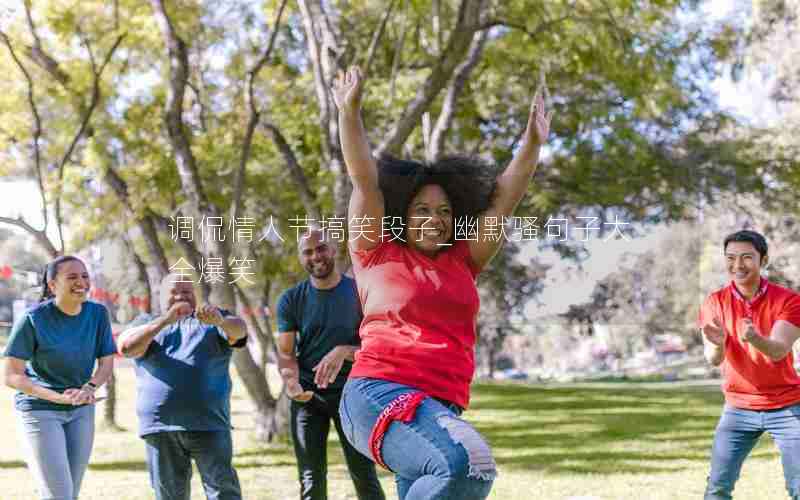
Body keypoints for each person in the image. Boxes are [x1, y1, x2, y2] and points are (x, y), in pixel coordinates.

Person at [331, 65, 552, 500]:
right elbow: (363, 178)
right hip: (378, 392)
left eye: (445, 212)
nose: (435, 220)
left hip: (439, 405)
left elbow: (505, 198)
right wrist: (349, 112)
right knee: (470, 465)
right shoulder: (376, 250)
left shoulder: (463, 261)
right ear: (403, 215)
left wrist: (531, 144)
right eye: (423, 211)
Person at [277, 226, 386, 500]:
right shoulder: (291, 299)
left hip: (353, 395)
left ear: (334, 249)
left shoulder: (361, 292)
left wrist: (345, 351)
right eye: (308, 251)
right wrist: (290, 380)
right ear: (301, 257)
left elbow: (380, 346)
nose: (316, 256)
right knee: (310, 477)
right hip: (308, 397)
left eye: (321, 248)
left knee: (363, 474)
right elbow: (286, 352)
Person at [117, 274, 248, 500]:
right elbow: (127, 348)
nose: (181, 297)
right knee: (169, 495)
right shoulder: (145, 323)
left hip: (209, 423)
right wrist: (165, 321)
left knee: (223, 491)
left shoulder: (212, 320)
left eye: (187, 292)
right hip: (160, 426)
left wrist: (221, 322)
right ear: (160, 297)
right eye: (174, 292)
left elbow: (240, 331)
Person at [3, 255, 116, 500]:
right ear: (52, 285)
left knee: (69, 493)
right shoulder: (33, 319)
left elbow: (107, 361)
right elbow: (11, 376)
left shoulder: (97, 314)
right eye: (72, 277)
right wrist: (56, 397)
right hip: (39, 409)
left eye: (85, 276)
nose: (81, 282)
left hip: (81, 409)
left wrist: (89, 387)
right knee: (60, 495)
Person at [700, 230, 800, 499]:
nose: (737, 265)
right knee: (717, 488)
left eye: (747, 257)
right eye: (731, 258)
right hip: (738, 407)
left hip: (787, 405)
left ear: (763, 260)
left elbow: (779, 351)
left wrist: (754, 338)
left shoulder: (789, 300)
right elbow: (713, 359)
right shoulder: (714, 302)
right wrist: (719, 343)